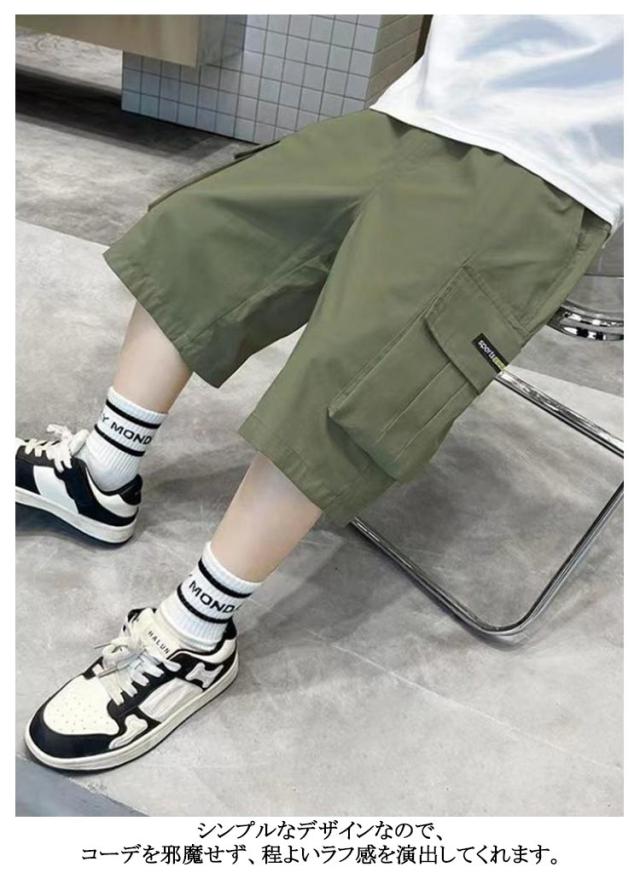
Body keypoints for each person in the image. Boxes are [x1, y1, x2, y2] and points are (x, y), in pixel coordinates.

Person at [17, 14, 622, 770]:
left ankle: (195, 634)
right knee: (196, 233)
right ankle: (99, 476)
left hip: (556, 164)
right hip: (423, 110)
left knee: (357, 372)